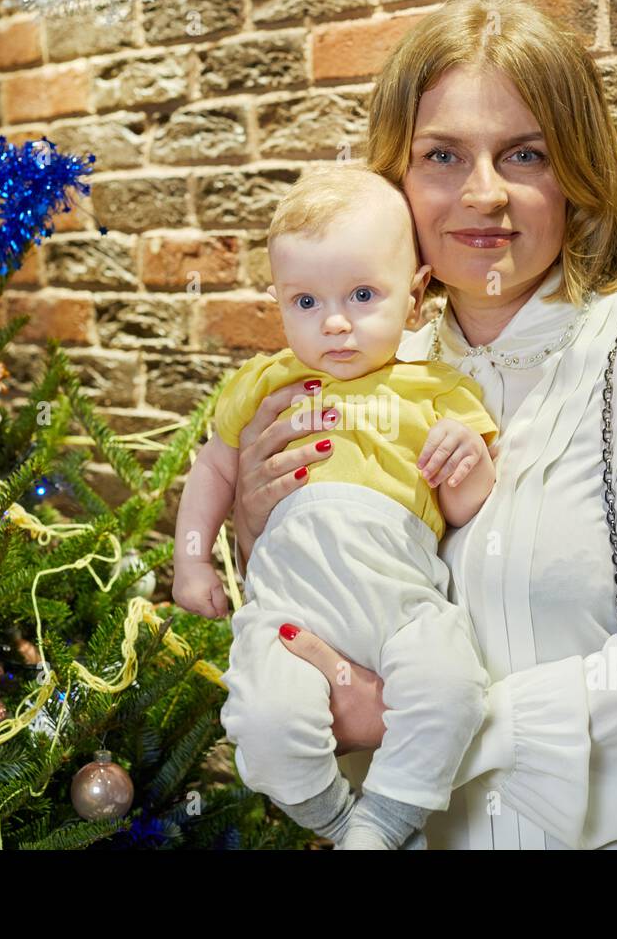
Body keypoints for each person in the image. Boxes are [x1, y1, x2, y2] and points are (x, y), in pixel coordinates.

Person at [227, 0, 617, 849]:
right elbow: (298, 621)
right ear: (395, 184)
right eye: (441, 155)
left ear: (576, 174)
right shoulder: (348, 378)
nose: (484, 194)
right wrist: (256, 531)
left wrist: (410, 723)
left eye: (526, 154)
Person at [173, 163, 501, 848]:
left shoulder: (434, 390)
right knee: (262, 722)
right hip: (290, 607)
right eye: (305, 303)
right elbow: (214, 467)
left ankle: (389, 815)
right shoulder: (269, 381)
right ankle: (342, 822)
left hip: (400, 603)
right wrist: (192, 563)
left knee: (452, 689)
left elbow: (468, 508)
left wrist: (464, 459)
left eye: (361, 295)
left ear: (414, 299)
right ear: (278, 300)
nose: (336, 325)